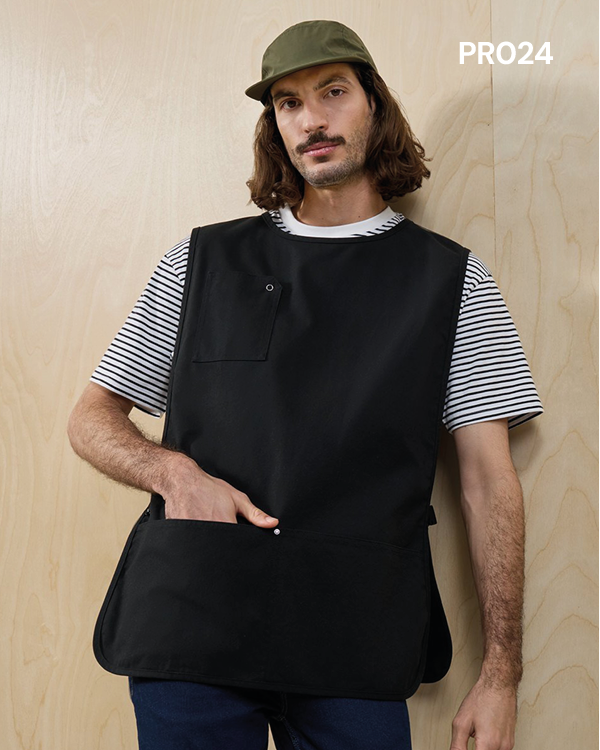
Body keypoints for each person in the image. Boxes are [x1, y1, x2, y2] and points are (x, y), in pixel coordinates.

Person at [67, 19, 544, 750]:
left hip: (354, 629)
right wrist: (173, 474)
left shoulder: (454, 281)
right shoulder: (201, 261)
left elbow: (487, 481)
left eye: (333, 93)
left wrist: (501, 675)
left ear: (375, 105)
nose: (311, 119)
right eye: (288, 103)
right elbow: (91, 418)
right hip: (194, 620)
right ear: (275, 126)